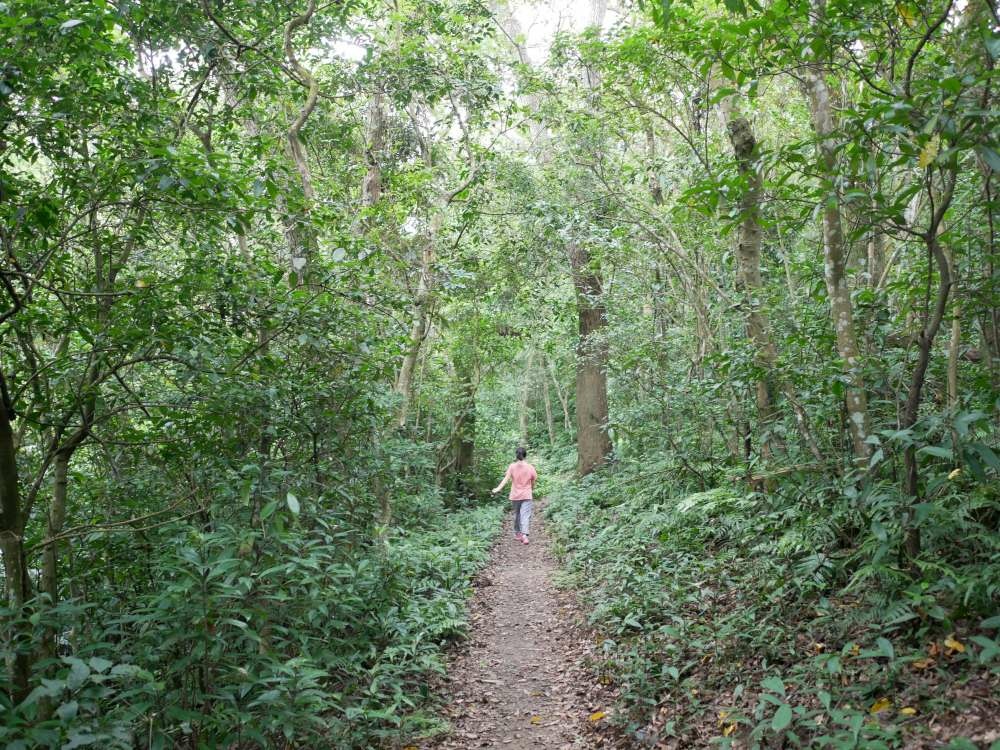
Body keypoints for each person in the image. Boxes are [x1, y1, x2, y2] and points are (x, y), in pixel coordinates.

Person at [491, 446, 537, 545]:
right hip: (527, 495)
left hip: (515, 495)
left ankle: (518, 534)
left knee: (517, 514)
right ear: (525, 455)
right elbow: (533, 481)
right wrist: (531, 489)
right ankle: (525, 535)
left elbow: (506, 479)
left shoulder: (512, 466)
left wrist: (497, 489)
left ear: (516, 455)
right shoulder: (530, 467)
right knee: (525, 515)